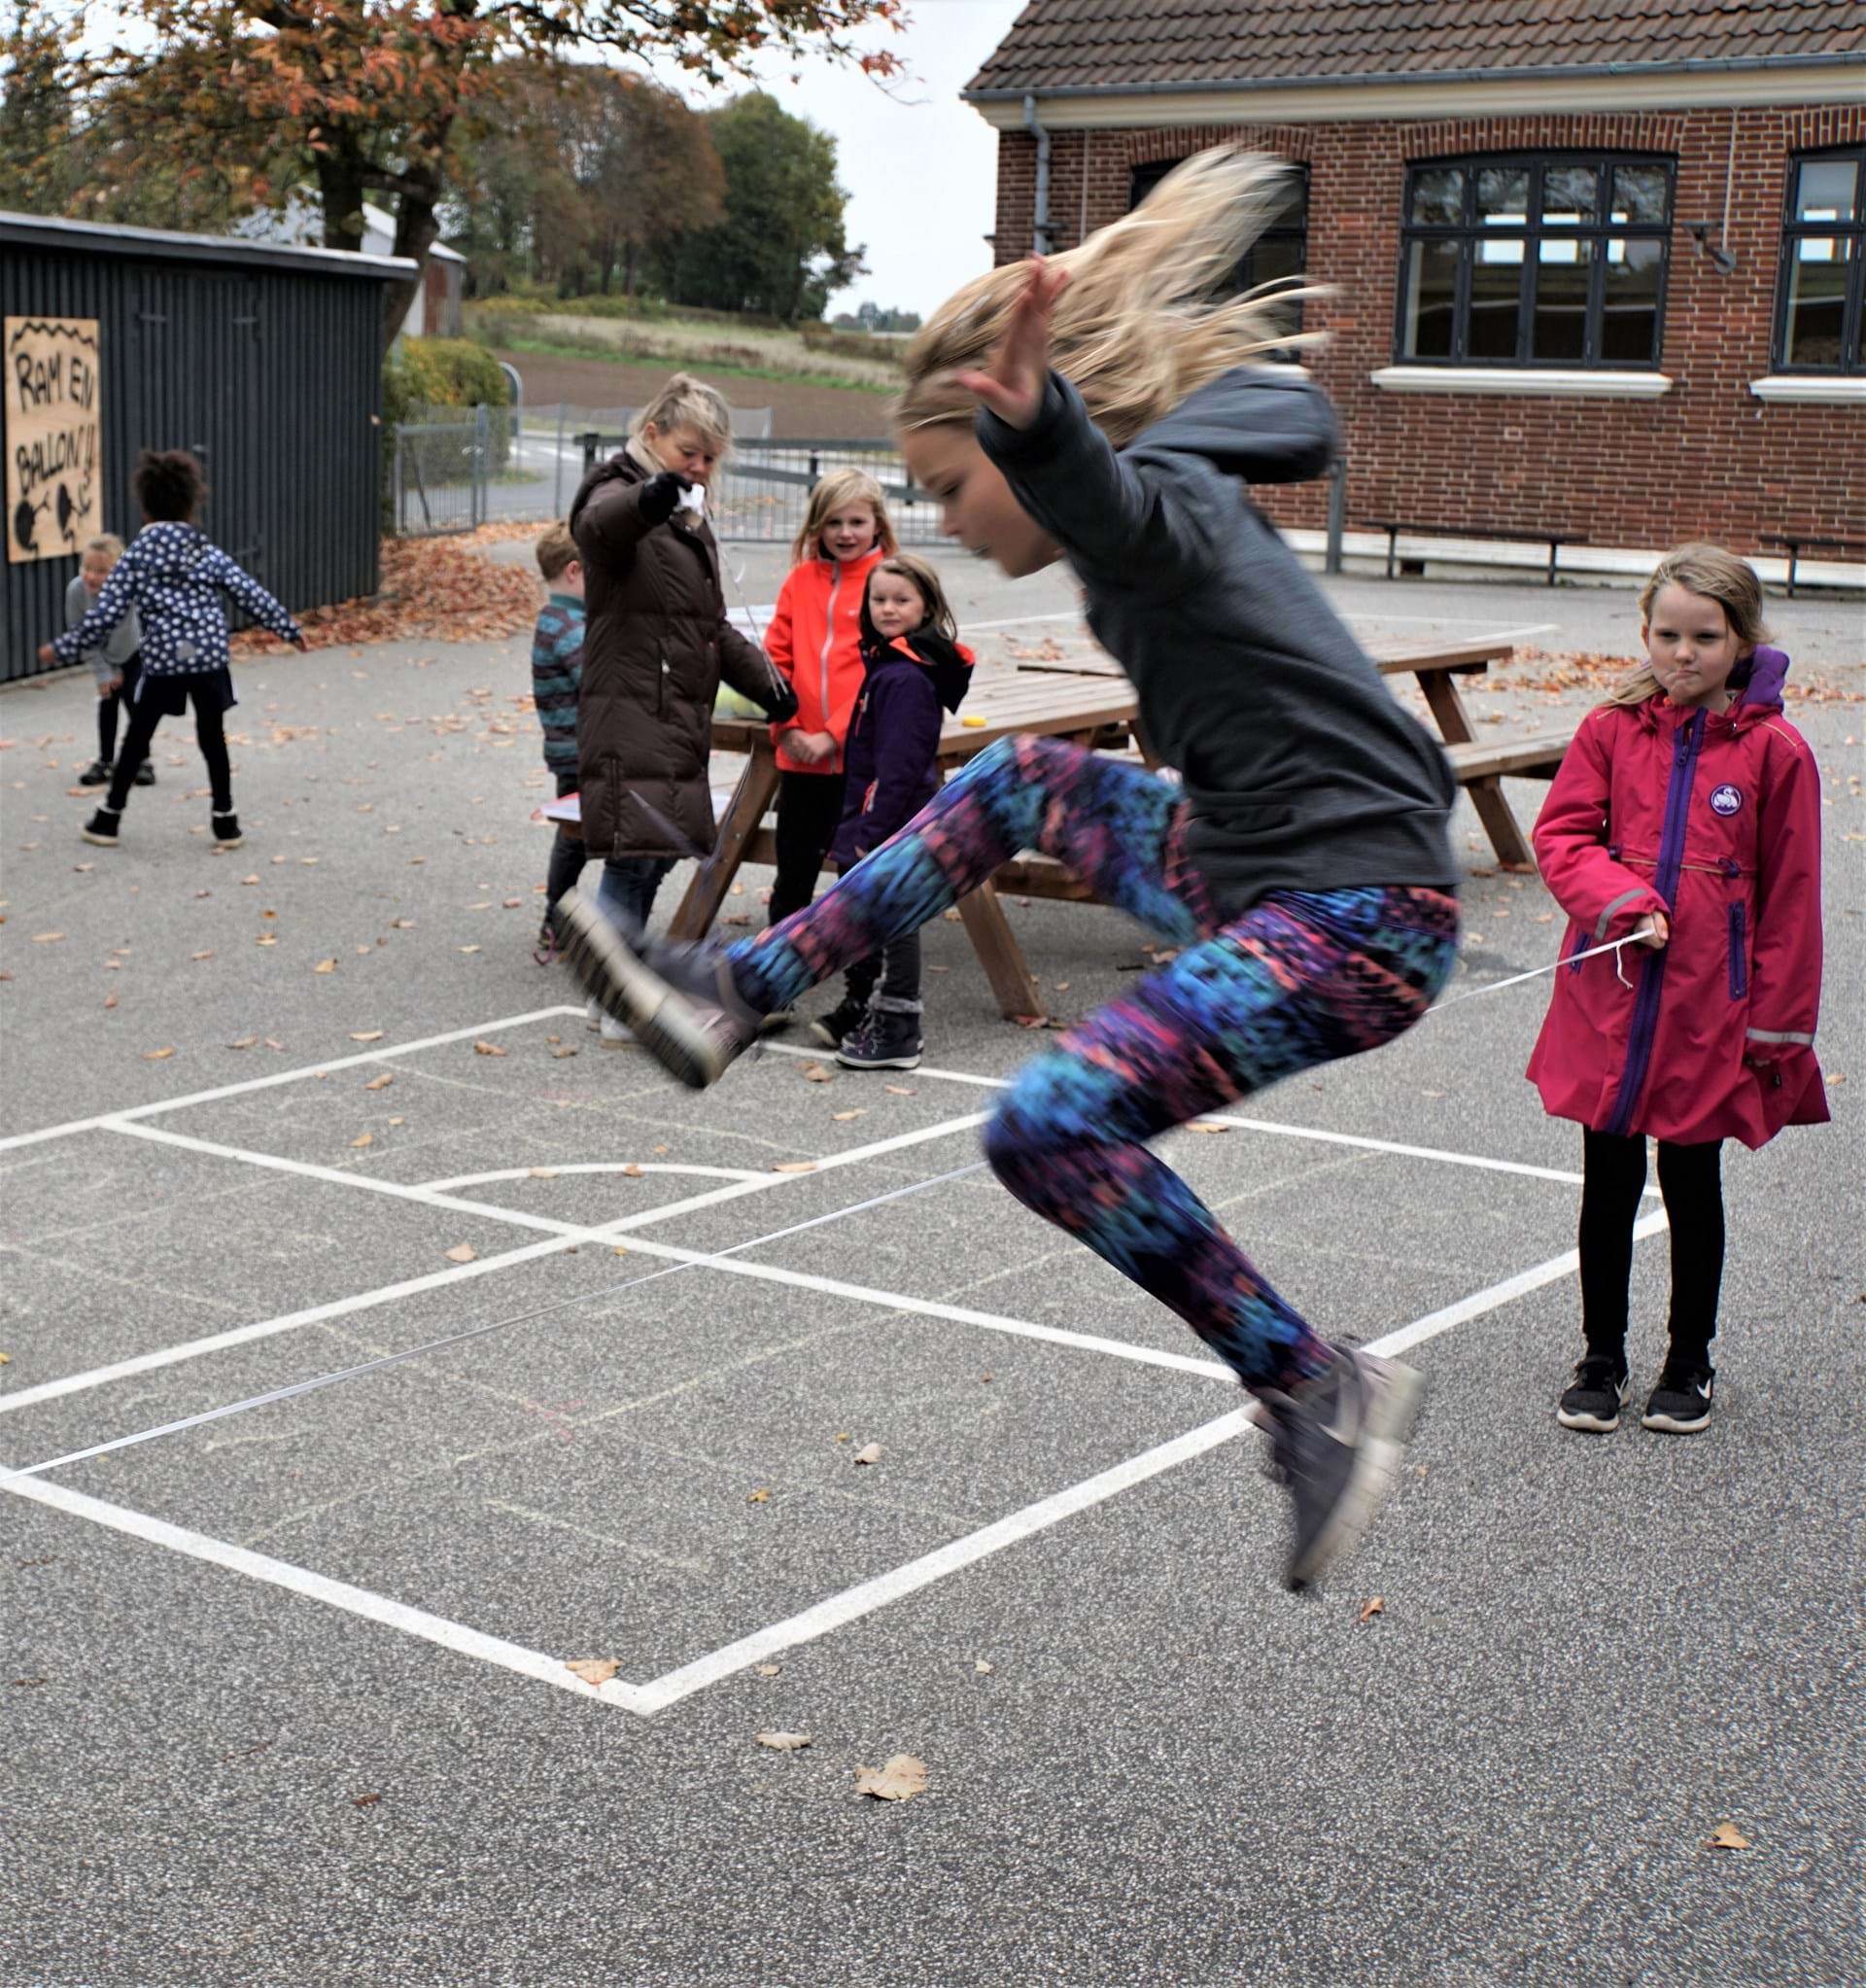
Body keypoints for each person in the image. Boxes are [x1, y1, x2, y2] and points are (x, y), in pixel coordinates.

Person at [558, 151, 1464, 1593]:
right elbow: (1292, 413)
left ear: (1030, 444)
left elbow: (1116, 498)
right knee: (1022, 780)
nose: (947, 525)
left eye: (948, 485)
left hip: (1357, 917)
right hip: (1258, 867)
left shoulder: (1146, 504)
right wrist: (1071, 429)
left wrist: (1046, 427)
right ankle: (741, 989)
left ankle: (1311, 1385)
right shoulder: (1176, 481)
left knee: (1047, 1125)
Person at [1529, 546, 1826, 1437]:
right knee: (1606, 1176)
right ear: (1645, 632)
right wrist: (1619, 899)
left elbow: (1792, 901)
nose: (1684, 653)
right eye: (1668, 634)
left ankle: (1689, 1356)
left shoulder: (1778, 752)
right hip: (1612, 991)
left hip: (1710, 1005)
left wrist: (1775, 1025)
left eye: (1706, 636)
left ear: (1742, 641)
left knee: (1692, 1178)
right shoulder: (1610, 730)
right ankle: (1601, 1355)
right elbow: (1564, 837)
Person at [568, 372, 797, 944]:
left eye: (709, 458)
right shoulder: (616, 488)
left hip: (675, 715)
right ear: (652, 434)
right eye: (688, 452)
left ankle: (619, 974)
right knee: (633, 856)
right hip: (631, 710)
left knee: (658, 853)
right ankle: (615, 991)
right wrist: (645, 501)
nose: (698, 466)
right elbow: (597, 530)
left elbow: (709, 624)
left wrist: (766, 681)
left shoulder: (688, 518)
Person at [42, 450, 307, 851]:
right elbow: (248, 592)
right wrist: (288, 629)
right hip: (209, 657)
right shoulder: (205, 551)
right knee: (212, 735)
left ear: (145, 507)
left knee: (137, 737)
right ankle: (226, 822)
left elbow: (105, 615)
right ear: (190, 503)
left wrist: (63, 647)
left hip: (164, 658)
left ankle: (108, 820)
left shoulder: (135, 557)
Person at [812, 553, 975, 1069]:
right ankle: (873, 1011)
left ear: (925, 608)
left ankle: (900, 1028)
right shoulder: (890, 665)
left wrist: (872, 833)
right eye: (878, 599)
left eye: (901, 600)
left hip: (891, 826)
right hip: (880, 820)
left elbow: (899, 768)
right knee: (881, 919)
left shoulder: (904, 679)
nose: (887, 608)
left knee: (896, 921)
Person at [764, 470, 898, 939]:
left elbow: (886, 671)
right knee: (792, 875)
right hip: (800, 758)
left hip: (860, 763)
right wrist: (789, 726)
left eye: (857, 521)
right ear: (817, 526)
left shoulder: (891, 584)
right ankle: (775, 982)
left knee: (856, 877)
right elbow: (775, 657)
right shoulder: (800, 581)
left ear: (877, 524)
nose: (845, 533)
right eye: (834, 522)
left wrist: (833, 735)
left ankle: (856, 990)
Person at [531, 522, 589, 961]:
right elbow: (597, 679)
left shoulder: (559, 618)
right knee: (576, 837)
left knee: (578, 837)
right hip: (580, 752)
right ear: (575, 571)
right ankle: (556, 917)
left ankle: (558, 917)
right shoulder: (568, 625)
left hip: (571, 750)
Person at [66, 534, 152, 788]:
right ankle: (105, 761)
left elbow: (125, 635)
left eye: (102, 571)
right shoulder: (76, 591)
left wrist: (117, 671)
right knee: (107, 703)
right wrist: (104, 671)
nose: (92, 576)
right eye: (87, 569)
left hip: (132, 652)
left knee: (133, 703)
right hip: (103, 654)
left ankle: (142, 760)